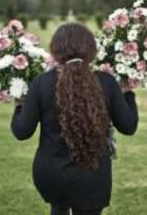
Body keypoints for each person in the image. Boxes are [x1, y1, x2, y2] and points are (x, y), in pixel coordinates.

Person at [11, 23, 138, 215]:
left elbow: (21, 131)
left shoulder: (41, 83)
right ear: (90, 49)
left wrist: (19, 104)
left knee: (58, 206)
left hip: (51, 176)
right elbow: (128, 126)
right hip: (93, 177)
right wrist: (128, 93)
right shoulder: (106, 82)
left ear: (55, 50)